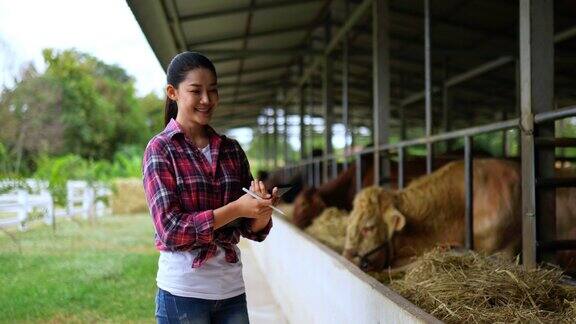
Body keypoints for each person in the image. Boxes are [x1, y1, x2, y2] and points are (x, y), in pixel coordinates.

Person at [142, 51, 278, 324]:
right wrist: (236, 208)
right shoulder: (161, 149)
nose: (207, 99)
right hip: (183, 294)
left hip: (231, 291)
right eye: (196, 91)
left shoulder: (231, 150)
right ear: (173, 92)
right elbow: (170, 230)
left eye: (213, 90)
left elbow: (245, 227)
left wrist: (260, 213)